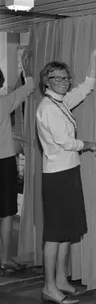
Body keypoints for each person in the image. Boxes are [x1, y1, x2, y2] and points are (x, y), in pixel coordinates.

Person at [36, 40, 96, 304]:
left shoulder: (61, 102)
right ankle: (49, 287)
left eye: (66, 78)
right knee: (55, 234)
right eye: (57, 78)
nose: (63, 82)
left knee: (66, 231)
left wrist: (93, 56)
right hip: (57, 177)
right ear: (47, 81)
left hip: (69, 173)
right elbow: (66, 143)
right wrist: (89, 144)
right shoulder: (47, 108)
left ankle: (61, 280)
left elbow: (87, 86)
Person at [0, 49, 35, 275]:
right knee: (6, 213)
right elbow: (30, 86)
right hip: (3, 163)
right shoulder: (4, 102)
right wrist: (25, 65)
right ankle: (4, 259)